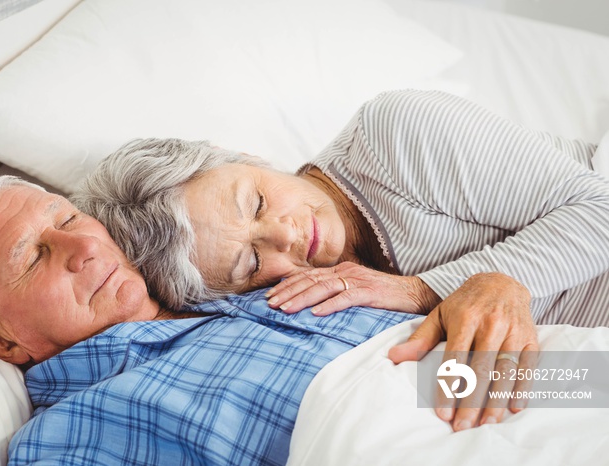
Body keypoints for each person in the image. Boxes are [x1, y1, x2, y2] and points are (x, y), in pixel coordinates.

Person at [72, 90, 609, 430]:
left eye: (256, 201)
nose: (284, 235)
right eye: (251, 263)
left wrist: (428, 289)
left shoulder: (395, 134)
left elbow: (601, 208)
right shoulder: (307, 309)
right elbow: (573, 382)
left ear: (251, 159)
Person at [0, 176, 422, 465]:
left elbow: (462, 384)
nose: (84, 246)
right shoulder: (70, 440)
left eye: (67, 219)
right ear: (1, 341)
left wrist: (475, 297)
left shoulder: (241, 285)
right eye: (35, 256)